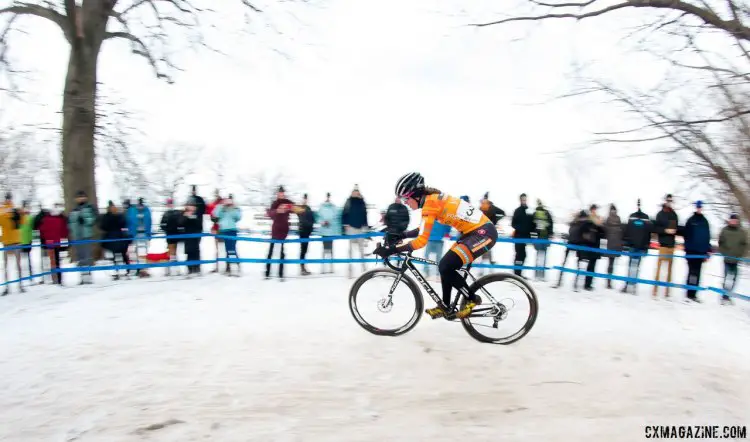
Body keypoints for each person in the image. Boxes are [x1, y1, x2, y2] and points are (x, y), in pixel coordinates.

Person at [373, 172, 498, 320]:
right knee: (444, 266)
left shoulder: (430, 204)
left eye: (406, 198)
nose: (406, 202)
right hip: (472, 233)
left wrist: (392, 250)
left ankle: (471, 299)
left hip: (483, 233)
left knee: (446, 265)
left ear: (416, 195)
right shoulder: (431, 201)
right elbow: (424, 229)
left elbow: (421, 241)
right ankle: (445, 306)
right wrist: (403, 235)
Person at [680, 201, 711, 303]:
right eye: (698, 207)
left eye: (700, 207)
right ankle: (689, 294)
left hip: (701, 253)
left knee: (697, 273)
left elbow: (707, 237)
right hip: (691, 252)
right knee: (692, 273)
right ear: (695, 208)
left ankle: (694, 294)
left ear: (702, 208)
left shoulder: (705, 221)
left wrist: (708, 250)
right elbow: (686, 235)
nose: (699, 209)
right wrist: (687, 248)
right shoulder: (691, 220)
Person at [621, 199, 652, 294]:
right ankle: (628, 285)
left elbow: (648, 233)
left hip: (639, 247)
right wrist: (626, 244)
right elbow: (628, 231)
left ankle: (633, 286)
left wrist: (646, 247)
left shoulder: (644, 218)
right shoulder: (632, 217)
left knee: (635, 266)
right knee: (631, 266)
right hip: (633, 246)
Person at [652, 194, 679, 298]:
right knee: (659, 268)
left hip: (671, 245)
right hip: (663, 245)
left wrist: (673, 230)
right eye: (668, 200)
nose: (669, 202)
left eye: (671, 201)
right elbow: (656, 228)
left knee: (669, 270)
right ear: (665, 201)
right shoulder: (660, 214)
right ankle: (655, 289)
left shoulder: (674, 214)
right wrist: (665, 230)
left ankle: (667, 291)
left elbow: (674, 227)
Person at [68, 190, 97, 284]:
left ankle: (88, 276)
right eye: (78, 197)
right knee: (80, 257)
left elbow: (93, 219)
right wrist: (73, 226)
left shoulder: (90, 208)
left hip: (86, 235)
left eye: (82, 196)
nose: (80, 198)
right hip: (77, 236)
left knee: (87, 255)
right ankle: (82, 276)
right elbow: (70, 223)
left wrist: (85, 220)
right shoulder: (74, 210)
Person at [718, 213, 748, 304]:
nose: (734, 221)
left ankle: (728, 295)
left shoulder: (741, 232)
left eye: (735, 220)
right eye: (732, 220)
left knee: (734, 278)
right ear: (730, 220)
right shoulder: (724, 230)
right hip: (727, 259)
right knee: (727, 278)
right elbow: (720, 242)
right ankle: (724, 296)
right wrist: (724, 253)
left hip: (736, 259)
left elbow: (745, 244)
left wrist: (741, 254)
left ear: (737, 221)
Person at [266, 186, 294, 280]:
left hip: (284, 230)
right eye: (279, 193)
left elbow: (296, 209)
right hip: (275, 229)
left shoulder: (288, 202)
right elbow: (270, 213)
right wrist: (277, 211)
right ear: (277, 194)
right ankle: (267, 273)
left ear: (284, 193)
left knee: (282, 252)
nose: (281, 194)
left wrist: (291, 208)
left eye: (282, 193)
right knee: (271, 251)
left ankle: (281, 274)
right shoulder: (274, 203)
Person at [342, 185, 370, 278]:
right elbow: (344, 213)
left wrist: (366, 227)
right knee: (350, 251)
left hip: (361, 228)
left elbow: (365, 214)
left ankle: (364, 269)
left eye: (357, 192)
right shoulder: (349, 201)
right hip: (351, 228)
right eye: (354, 191)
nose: (356, 193)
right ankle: (350, 271)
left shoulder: (362, 202)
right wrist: (345, 225)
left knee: (361, 250)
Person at [553, 211, 586, 289]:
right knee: (564, 263)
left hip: (578, 245)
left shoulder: (583, 225)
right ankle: (559, 281)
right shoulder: (574, 223)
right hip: (571, 243)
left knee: (578, 265)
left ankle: (576, 284)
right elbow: (570, 231)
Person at [99, 201, 131, 279]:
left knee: (123, 254)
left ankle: (128, 269)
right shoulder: (106, 217)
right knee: (114, 256)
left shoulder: (119, 216)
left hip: (120, 237)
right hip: (111, 237)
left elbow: (123, 224)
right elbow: (103, 226)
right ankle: (116, 271)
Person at [38, 203, 68, 285]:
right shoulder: (60, 219)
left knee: (52, 261)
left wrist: (43, 240)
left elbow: (41, 230)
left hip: (50, 242)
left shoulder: (45, 219)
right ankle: (59, 279)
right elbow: (64, 232)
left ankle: (55, 279)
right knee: (57, 261)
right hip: (57, 242)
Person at [0, 192, 24, 295]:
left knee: (18, 265)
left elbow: (22, 223)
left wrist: (20, 215)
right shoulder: (1, 210)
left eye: (9, 198)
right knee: (6, 265)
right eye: (7, 198)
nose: (8, 200)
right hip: (7, 241)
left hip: (15, 241)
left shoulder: (15, 209)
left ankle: (20, 285)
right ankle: (7, 286)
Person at [577, 208, 606, 291]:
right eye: (593, 211)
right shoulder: (587, 223)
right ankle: (582, 283)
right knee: (586, 266)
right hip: (588, 248)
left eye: (595, 211)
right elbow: (582, 232)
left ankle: (588, 284)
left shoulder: (597, 224)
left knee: (592, 267)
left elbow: (603, 234)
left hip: (595, 248)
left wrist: (600, 225)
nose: (594, 212)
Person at [215, 194, 242, 275]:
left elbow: (238, 217)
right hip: (224, 230)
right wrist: (221, 206)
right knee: (228, 249)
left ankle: (236, 266)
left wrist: (233, 208)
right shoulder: (222, 208)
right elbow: (216, 214)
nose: (228, 202)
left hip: (232, 230)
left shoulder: (235, 208)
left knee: (232, 249)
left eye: (230, 200)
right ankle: (229, 267)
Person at [479, 192, 505, 274]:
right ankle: (486, 268)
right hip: (483, 231)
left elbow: (503, 213)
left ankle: (487, 268)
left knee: (485, 248)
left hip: (486, 230)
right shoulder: (482, 208)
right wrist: (495, 221)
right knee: (484, 248)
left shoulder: (489, 208)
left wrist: (495, 221)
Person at [127, 197, 152, 277]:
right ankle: (138, 269)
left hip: (144, 234)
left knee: (144, 252)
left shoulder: (147, 210)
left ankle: (144, 269)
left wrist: (149, 233)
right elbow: (129, 221)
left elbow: (149, 222)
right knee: (136, 252)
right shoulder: (132, 211)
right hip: (135, 234)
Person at [316, 193, 341, 274]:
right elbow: (318, 217)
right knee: (324, 249)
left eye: (329, 196)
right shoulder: (321, 207)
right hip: (324, 231)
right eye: (327, 196)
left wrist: (330, 223)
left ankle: (331, 267)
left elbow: (336, 218)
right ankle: (323, 267)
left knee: (330, 249)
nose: (328, 198)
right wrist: (323, 222)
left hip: (331, 231)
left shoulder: (333, 207)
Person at [511, 193, 533, 278]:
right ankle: (517, 274)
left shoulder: (529, 210)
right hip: (518, 237)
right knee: (519, 255)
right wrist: (521, 228)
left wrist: (532, 232)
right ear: (520, 200)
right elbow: (513, 224)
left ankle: (519, 273)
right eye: (522, 199)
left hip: (526, 237)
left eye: (525, 199)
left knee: (523, 255)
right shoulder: (517, 211)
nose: (524, 200)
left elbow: (532, 224)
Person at [160, 198, 184, 276]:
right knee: (171, 252)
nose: (170, 205)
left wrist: (180, 230)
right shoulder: (165, 214)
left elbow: (180, 223)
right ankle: (169, 270)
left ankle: (174, 269)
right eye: (169, 204)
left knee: (174, 252)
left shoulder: (176, 213)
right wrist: (166, 228)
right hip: (169, 235)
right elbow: (162, 225)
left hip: (176, 235)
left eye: (171, 203)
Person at [532, 199, 553, 280]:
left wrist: (533, 237)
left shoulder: (535, 213)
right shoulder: (547, 213)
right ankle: (542, 275)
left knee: (537, 256)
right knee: (544, 257)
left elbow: (532, 226)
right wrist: (550, 235)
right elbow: (551, 225)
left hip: (538, 237)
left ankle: (536, 274)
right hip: (545, 237)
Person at [604, 204, 624, 289]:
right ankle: (609, 281)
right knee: (611, 263)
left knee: (611, 263)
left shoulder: (611, 219)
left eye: (614, 210)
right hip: (613, 244)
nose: (613, 211)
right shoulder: (610, 219)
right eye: (612, 210)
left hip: (614, 244)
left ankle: (609, 281)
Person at [181, 199, 203, 276]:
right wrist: (186, 217)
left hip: (196, 236)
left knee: (196, 252)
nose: (192, 207)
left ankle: (197, 267)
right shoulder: (184, 214)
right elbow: (181, 223)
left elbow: (199, 225)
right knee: (189, 252)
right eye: (190, 205)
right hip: (187, 237)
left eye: (193, 206)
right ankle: (190, 268)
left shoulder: (198, 214)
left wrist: (192, 217)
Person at [295, 193, 315, 276]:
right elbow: (302, 219)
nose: (305, 200)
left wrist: (311, 226)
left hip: (308, 232)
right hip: (303, 231)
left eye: (306, 199)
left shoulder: (309, 208)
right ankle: (302, 268)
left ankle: (303, 267)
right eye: (304, 198)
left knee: (305, 250)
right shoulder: (300, 208)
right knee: (303, 250)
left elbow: (312, 219)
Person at [206, 189, 224, 273]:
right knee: (217, 249)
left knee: (225, 248)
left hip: (223, 228)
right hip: (216, 228)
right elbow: (211, 216)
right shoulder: (213, 204)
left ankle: (226, 266)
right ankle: (217, 267)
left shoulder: (223, 204)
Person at [19, 201, 34, 283]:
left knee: (29, 259)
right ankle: (22, 277)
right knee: (21, 260)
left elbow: (31, 228)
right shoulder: (20, 218)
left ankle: (30, 275)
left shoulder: (30, 217)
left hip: (28, 241)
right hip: (20, 241)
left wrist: (31, 239)